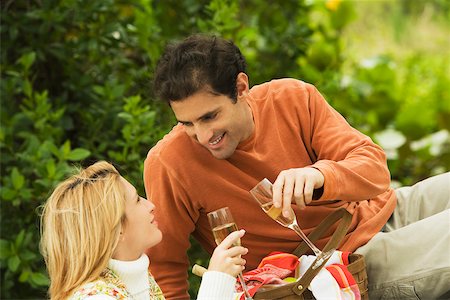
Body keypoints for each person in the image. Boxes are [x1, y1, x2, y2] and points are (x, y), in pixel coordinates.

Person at [144, 34, 450, 299]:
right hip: (340, 267)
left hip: (385, 210)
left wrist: (319, 176)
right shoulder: (168, 164)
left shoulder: (292, 98)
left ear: (240, 88)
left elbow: (375, 171)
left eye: (210, 117)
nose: (202, 136)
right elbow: (165, 270)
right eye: (187, 123)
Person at [40, 161, 248, 300]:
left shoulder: (136, 280)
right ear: (116, 229)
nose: (151, 205)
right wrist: (216, 281)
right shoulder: (94, 297)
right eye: (137, 200)